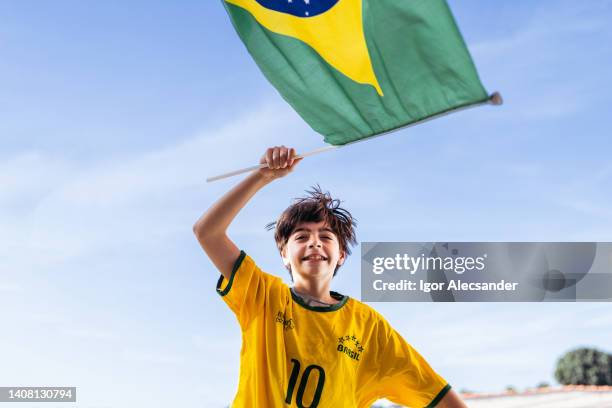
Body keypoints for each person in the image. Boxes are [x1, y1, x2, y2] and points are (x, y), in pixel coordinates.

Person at [193, 146, 468, 407]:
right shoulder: (263, 296)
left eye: (325, 236)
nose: (314, 243)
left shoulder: (368, 327)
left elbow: (437, 393)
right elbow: (207, 232)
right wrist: (262, 176)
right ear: (284, 255)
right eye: (301, 237)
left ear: (341, 256)